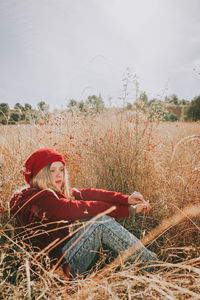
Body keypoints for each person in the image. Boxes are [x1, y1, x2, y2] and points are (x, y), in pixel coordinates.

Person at [10, 148, 158, 278]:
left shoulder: (41, 192)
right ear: (41, 173)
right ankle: (152, 264)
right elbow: (85, 206)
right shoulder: (44, 201)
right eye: (52, 170)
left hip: (59, 259)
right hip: (56, 273)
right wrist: (130, 210)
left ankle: (132, 262)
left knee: (92, 219)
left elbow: (89, 194)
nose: (58, 175)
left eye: (61, 169)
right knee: (100, 223)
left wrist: (126, 199)